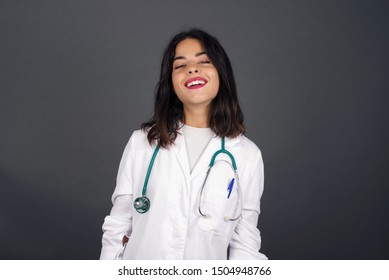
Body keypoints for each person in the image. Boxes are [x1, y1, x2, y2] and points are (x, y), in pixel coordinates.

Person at [99, 28, 267, 260]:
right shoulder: (141, 143)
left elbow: (245, 245)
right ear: (171, 82)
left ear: (221, 73)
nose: (192, 69)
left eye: (204, 61)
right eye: (180, 66)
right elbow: (117, 229)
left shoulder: (247, 155)